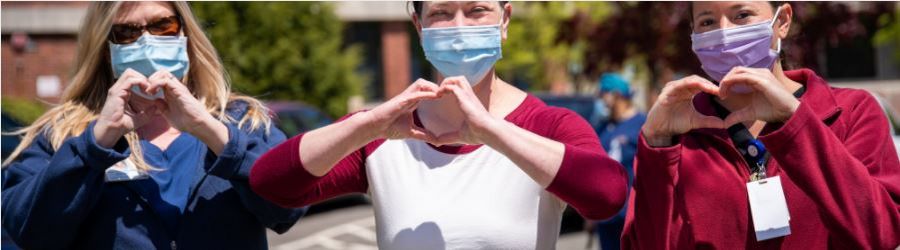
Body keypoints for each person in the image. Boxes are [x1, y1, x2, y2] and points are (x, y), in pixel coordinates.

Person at [250, 1, 628, 249]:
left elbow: (607, 196)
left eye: (477, 10)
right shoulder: (387, 131)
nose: (459, 27)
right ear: (418, 25)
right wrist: (366, 125)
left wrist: (491, 130)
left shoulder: (548, 124)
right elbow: (271, 184)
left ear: (505, 20)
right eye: (441, 13)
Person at [1, 2, 305, 249]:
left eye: (163, 26)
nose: (147, 41)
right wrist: (94, 146)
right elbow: (26, 231)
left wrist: (209, 130)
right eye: (126, 32)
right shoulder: (64, 132)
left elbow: (287, 209)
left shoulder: (241, 119)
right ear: (105, 48)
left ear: (185, 34)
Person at [623, 1, 900, 249]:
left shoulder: (851, 112)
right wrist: (658, 146)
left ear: (782, 21)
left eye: (742, 15)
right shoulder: (677, 131)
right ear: (693, 35)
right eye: (707, 22)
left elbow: (881, 234)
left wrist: (797, 124)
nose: (724, 32)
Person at [590, 73, 646, 250]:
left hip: (633, 213)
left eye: (603, 94)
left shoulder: (642, 124)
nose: (601, 100)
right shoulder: (602, 127)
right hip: (605, 214)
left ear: (616, 95)